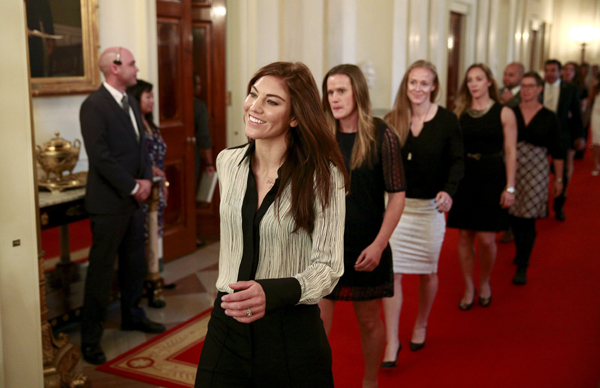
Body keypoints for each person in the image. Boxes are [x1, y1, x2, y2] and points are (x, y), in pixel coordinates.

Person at [194, 62, 348, 387]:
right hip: (227, 325)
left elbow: (329, 267)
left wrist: (274, 291)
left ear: (294, 117)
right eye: (253, 94)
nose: (254, 106)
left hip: (289, 329)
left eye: (272, 101)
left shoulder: (324, 176)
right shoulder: (227, 162)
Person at [318, 64, 406, 388]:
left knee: (369, 322)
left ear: (358, 92)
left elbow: (397, 196)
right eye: (330, 92)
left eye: (342, 91)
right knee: (317, 322)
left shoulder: (381, 134)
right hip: (326, 247)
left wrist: (380, 244)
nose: (335, 98)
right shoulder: (323, 135)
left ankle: (370, 381)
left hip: (368, 245)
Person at [79, 47, 166, 365]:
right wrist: (133, 186)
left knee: (134, 264)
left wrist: (144, 180)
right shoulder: (93, 106)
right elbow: (100, 156)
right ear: (115, 68)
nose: (136, 68)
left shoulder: (130, 100)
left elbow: (140, 147)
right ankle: (90, 339)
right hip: (109, 202)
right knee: (101, 273)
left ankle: (133, 314)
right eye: (131, 64)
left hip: (134, 200)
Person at [382, 60, 463, 363]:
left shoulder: (447, 120)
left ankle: (421, 322)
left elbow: (457, 161)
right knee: (393, 274)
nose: (418, 89)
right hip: (398, 209)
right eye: (413, 82)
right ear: (406, 85)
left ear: (434, 87)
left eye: (424, 83)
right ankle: (391, 340)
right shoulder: (393, 119)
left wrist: (448, 191)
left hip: (430, 210)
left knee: (429, 272)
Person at [447, 63, 517, 310]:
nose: (473, 84)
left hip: (491, 176)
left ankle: (484, 280)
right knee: (464, 236)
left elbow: (510, 152)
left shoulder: (504, 113)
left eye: (478, 79)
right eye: (470, 80)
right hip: (465, 177)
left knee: (487, 239)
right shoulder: (459, 113)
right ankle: (468, 286)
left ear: (489, 82)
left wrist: (510, 187)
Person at [510, 72, 565, 285]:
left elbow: (558, 151)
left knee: (528, 218)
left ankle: (523, 264)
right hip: (513, 168)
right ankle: (519, 249)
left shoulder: (549, 117)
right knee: (513, 214)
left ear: (540, 89)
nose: (526, 90)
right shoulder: (511, 112)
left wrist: (559, 180)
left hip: (537, 170)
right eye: (523, 86)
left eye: (531, 86)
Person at [127, 79, 170, 306]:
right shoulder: (133, 126)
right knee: (142, 237)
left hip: (157, 188)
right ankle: (145, 280)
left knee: (154, 233)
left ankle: (153, 276)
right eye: (148, 97)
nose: (152, 101)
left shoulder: (150, 126)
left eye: (152, 96)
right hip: (143, 189)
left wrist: (164, 184)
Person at [542, 59, 585, 221]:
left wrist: (579, 136)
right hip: (540, 136)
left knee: (562, 171)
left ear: (560, 72)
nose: (550, 74)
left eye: (553, 70)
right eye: (547, 70)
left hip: (562, 135)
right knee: (541, 172)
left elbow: (577, 115)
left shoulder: (570, 89)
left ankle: (559, 206)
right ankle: (542, 204)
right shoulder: (538, 87)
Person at [193, 73, 215, 185]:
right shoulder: (198, 106)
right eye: (198, 84)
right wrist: (209, 163)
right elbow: (204, 135)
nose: (200, 87)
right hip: (193, 153)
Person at [589, 76, 600, 175]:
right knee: (596, 139)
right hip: (597, 113)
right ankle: (595, 164)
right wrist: (593, 86)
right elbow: (590, 98)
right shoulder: (597, 83)